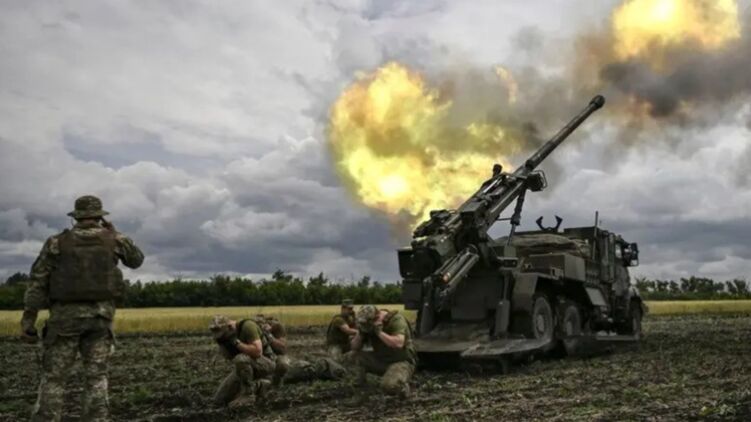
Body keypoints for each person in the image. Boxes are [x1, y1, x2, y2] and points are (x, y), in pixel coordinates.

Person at [20, 195, 144, 422]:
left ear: (76, 217)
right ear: (100, 217)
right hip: (100, 320)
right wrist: (116, 233)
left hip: (64, 320)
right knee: (96, 377)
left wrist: (28, 321)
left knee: (54, 378)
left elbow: (37, 282)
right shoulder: (114, 240)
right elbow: (136, 260)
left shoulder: (56, 242)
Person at [350, 305, 417, 398]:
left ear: (377, 318)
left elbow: (398, 343)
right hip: (381, 359)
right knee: (354, 356)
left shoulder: (396, 320)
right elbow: (354, 347)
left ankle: (402, 386)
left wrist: (379, 333)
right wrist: (360, 334)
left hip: (400, 360)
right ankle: (360, 387)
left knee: (389, 386)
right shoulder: (367, 326)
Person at [210, 315, 276, 408]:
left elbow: (257, 352)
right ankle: (260, 386)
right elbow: (230, 358)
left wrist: (236, 342)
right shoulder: (227, 337)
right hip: (247, 365)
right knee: (219, 400)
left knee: (240, 358)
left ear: (230, 327)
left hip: (267, 363)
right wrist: (223, 344)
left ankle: (248, 394)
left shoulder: (247, 326)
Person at [255, 314, 289, 387]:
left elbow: (282, 348)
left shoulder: (276, 327)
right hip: (259, 356)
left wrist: (268, 335)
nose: (259, 325)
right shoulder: (250, 330)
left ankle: (277, 384)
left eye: (261, 323)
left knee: (283, 364)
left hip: (275, 355)